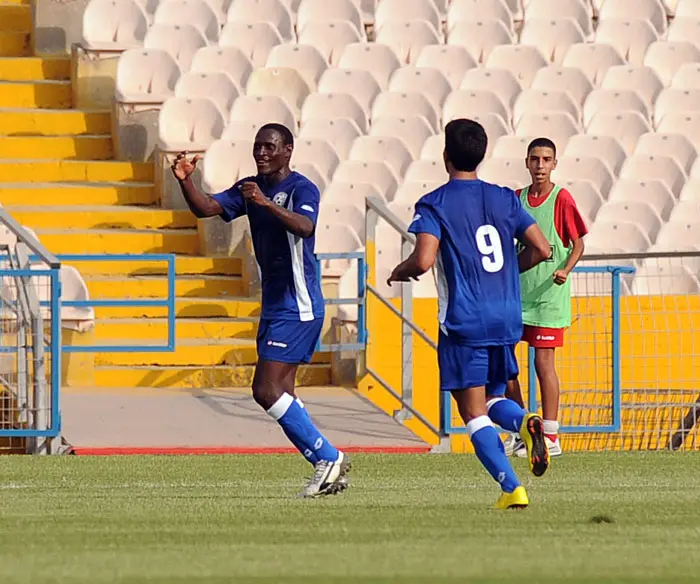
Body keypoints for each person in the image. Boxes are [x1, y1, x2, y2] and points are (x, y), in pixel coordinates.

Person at [171, 123, 350, 498]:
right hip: (274, 304)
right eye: (257, 147)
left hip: (299, 304)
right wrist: (186, 181)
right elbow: (207, 208)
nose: (262, 153)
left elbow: (306, 225)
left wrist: (266, 205)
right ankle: (325, 464)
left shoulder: (302, 188)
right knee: (281, 390)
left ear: (288, 150)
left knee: (265, 389)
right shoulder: (249, 187)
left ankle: (328, 457)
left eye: (269, 147)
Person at [387, 119, 553, 509]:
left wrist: (401, 271)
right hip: (507, 317)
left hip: (465, 320)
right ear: (483, 154)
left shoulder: (435, 204)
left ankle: (512, 488)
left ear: (445, 156)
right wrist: (510, 270)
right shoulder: (504, 198)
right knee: (495, 396)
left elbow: (424, 259)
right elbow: (543, 249)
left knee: (472, 412)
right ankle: (525, 423)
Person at [504, 138, 588, 458]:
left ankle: (551, 435)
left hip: (548, 297)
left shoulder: (561, 198)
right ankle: (522, 428)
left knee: (543, 363)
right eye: (535, 159)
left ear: (555, 164)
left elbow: (578, 243)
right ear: (526, 162)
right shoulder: (516, 199)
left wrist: (566, 269)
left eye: (546, 160)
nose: (540, 165)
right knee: (506, 363)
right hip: (517, 295)